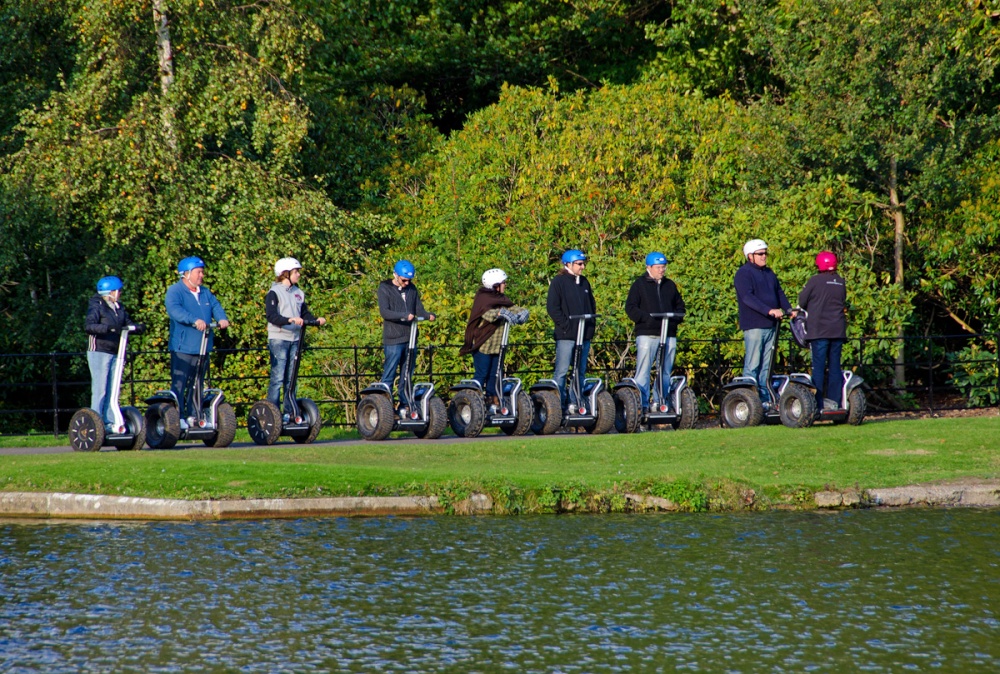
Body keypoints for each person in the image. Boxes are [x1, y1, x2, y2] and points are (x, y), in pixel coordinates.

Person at [165, 256, 230, 429]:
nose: (202, 275)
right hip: (183, 347)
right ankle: (176, 419)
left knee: (198, 383)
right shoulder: (175, 291)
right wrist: (195, 320)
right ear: (186, 274)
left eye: (202, 272)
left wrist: (222, 319)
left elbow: (216, 306)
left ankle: (194, 416)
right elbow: (175, 310)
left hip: (203, 347)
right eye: (198, 272)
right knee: (180, 383)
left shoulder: (205, 292)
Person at [265, 257, 327, 421]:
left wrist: (316, 319)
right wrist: (289, 320)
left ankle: (289, 412)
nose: (298, 274)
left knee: (291, 378)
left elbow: (304, 313)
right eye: (296, 272)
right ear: (285, 274)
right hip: (279, 339)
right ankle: (273, 413)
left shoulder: (299, 293)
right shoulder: (274, 292)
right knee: (278, 377)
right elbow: (271, 316)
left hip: (295, 339)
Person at [734, 239, 794, 406]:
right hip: (754, 325)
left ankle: (765, 400)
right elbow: (747, 297)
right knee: (753, 364)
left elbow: (779, 292)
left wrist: (789, 310)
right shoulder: (743, 273)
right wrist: (769, 310)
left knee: (766, 366)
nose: (764, 256)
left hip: (771, 325)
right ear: (750, 256)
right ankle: (749, 402)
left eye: (765, 253)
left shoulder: (769, 273)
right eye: (760, 254)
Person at [459, 268, 529, 410]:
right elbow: (487, 313)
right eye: (503, 283)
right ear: (495, 284)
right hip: (483, 344)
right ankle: (473, 404)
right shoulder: (483, 298)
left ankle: (492, 401)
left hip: (498, 346)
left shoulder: (500, 298)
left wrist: (523, 312)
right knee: (482, 374)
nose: (505, 285)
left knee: (495, 375)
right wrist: (500, 313)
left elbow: (512, 308)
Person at [625, 252, 685, 412]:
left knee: (665, 371)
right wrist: (647, 319)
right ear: (649, 267)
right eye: (658, 267)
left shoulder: (670, 285)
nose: (661, 270)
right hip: (647, 334)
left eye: (663, 267)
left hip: (668, 334)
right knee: (643, 370)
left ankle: (661, 403)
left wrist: (675, 319)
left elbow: (680, 307)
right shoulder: (639, 285)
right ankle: (642, 406)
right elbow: (630, 308)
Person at [84, 276, 143, 430]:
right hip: (99, 350)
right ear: (110, 292)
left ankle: (110, 422)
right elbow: (89, 326)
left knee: (113, 388)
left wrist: (137, 327)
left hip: (116, 351)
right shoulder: (97, 305)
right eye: (118, 290)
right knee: (100, 389)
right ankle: (95, 424)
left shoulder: (119, 307)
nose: (120, 293)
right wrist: (108, 328)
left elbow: (127, 323)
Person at [377, 259, 434, 410]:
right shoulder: (385, 288)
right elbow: (385, 312)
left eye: (409, 280)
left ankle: (405, 404)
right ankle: (384, 407)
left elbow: (418, 309)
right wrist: (404, 315)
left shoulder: (411, 289)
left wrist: (428, 315)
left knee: (407, 374)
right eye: (404, 280)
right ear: (395, 275)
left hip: (410, 338)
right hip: (394, 339)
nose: (407, 283)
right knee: (389, 373)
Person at [546, 249, 597, 409]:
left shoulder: (584, 282)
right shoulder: (558, 282)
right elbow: (552, 308)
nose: (582, 267)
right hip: (566, 336)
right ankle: (558, 406)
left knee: (580, 372)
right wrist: (567, 327)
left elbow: (591, 306)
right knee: (561, 372)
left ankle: (575, 402)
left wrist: (590, 329)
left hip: (584, 336)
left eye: (583, 264)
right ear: (568, 264)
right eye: (579, 264)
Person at [798, 251, 848, 411]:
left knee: (818, 368)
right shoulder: (840, 282)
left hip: (819, 331)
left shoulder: (815, 281)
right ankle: (834, 403)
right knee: (835, 367)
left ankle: (817, 405)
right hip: (838, 330)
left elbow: (802, 301)